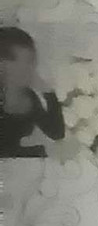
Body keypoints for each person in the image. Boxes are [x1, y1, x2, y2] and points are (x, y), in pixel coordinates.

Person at [0, 26, 65, 158]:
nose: (32, 68)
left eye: (33, 61)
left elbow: (56, 133)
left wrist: (49, 93)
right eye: (27, 62)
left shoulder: (28, 96)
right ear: (4, 64)